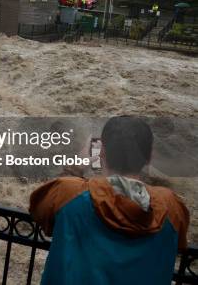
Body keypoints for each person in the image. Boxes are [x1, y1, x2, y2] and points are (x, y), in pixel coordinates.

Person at [30, 116, 189, 285]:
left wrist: (76, 165)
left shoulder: (69, 193)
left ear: (102, 152)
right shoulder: (172, 208)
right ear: (149, 156)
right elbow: (179, 245)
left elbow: (38, 210)